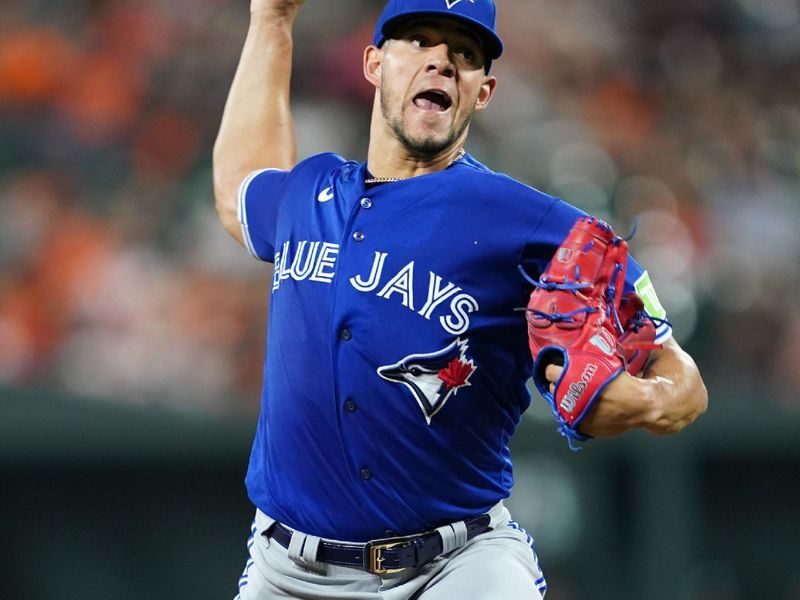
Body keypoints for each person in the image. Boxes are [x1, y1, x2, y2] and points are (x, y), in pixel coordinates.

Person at [212, 1, 708, 598]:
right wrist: (272, 21)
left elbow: (677, 371)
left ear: (484, 90)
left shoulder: (535, 224)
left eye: (464, 55)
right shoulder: (307, 194)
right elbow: (238, 185)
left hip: (456, 565)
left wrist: (651, 400)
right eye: (419, 41)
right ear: (374, 63)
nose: (441, 62)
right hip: (287, 570)